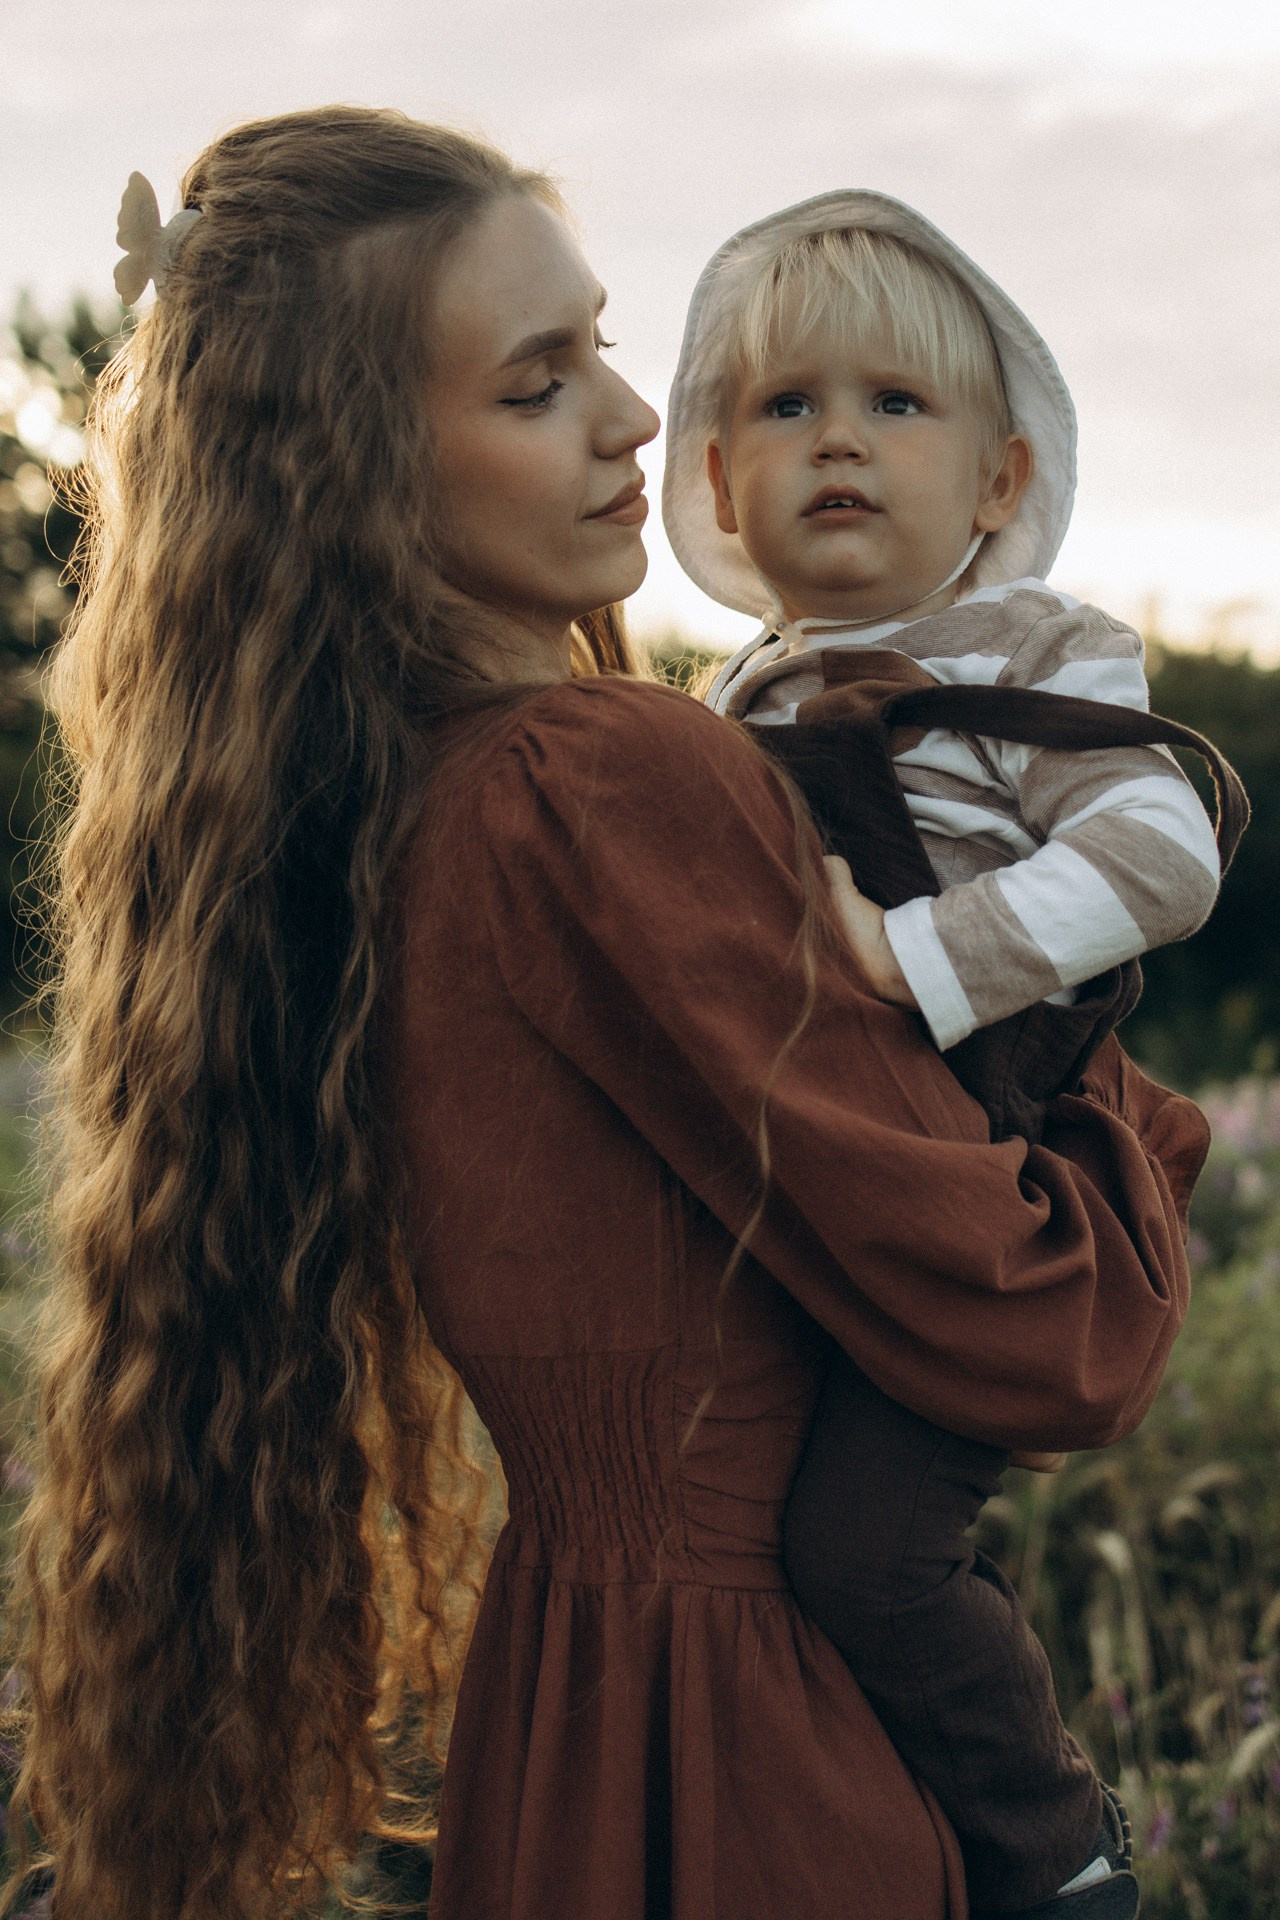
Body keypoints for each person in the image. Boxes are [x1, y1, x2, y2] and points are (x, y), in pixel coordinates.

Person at [13, 113, 1201, 1920]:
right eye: (536, 382)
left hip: (575, 1709)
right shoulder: (607, 777)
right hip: (768, 1749)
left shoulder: (392, 804)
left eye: (608, 351)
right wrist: (1124, 1121)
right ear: (350, 470)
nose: (639, 421)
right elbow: (1040, 1331)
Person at [662, 192, 1239, 1916]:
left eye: (896, 407)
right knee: (737, 1539)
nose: (839, 438)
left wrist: (914, 958)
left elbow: (1161, 855)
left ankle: (1055, 1850)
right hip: (807, 1185)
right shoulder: (730, 704)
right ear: (719, 485)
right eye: (787, 406)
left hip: (985, 1191)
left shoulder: (1038, 650)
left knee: (870, 1553)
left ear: (996, 480)